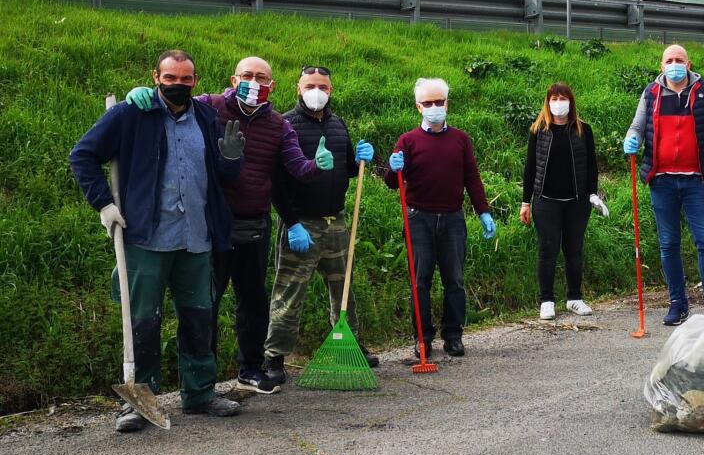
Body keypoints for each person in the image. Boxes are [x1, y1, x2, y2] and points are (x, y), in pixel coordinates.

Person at [127, 56, 332, 394]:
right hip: (213, 223)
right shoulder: (210, 107)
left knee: (252, 301)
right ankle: (198, 381)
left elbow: (296, 167)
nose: (255, 82)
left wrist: (316, 166)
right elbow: (174, 102)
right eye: (248, 75)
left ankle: (250, 369)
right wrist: (144, 94)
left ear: (273, 85)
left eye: (262, 77)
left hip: (256, 224)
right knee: (205, 303)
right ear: (235, 80)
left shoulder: (279, 125)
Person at [71, 50, 244, 432]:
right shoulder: (132, 114)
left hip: (196, 238)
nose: (178, 85)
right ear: (156, 76)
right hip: (147, 239)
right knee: (142, 322)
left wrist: (232, 160)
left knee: (199, 318)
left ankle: (199, 393)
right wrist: (103, 204)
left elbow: (223, 175)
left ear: (195, 81)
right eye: (170, 78)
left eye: (185, 79)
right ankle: (139, 401)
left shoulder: (206, 117)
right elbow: (83, 155)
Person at [261, 66, 378, 389]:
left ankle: (349, 343)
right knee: (289, 292)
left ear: (331, 89)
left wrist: (359, 161)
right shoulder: (284, 125)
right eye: (310, 85)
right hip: (301, 223)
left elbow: (346, 170)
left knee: (343, 290)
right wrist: (293, 223)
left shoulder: (338, 125)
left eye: (322, 85)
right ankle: (274, 356)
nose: (317, 91)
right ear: (298, 89)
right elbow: (277, 183)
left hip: (336, 222)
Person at [385, 77, 495, 358]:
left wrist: (483, 211)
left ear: (447, 103)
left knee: (454, 280)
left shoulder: (460, 139)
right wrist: (392, 167)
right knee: (420, 281)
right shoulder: (408, 141)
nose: (434, 107)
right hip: (418, 219)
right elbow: (392, 182)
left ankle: (454, 335)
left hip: (452, 220)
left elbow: (472, 178)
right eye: (428, 103)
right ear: (419, 107)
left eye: (439, 102)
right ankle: (422, 338)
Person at [623, 44, 704, 325]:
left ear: (688, 63)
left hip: (695, 180)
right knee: (668, 243)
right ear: (662, 66)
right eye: (669, 60)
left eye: (679, 60)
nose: (674, 64)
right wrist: (632, 139)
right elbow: (637, 126)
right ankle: (677, 304)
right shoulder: (651, 93)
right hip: (662, 181)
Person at [520, 82, 607, 321]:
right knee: (548, 250)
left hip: (576, 202)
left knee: (574, 250)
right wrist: (525, 202)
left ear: (571, 102)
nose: (559, 103)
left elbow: (591, 166)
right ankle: (546, 300)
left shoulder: (583, 130)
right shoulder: (539, 130)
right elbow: (530, 168)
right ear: (548, 102)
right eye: (554, 99)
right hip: (546, 201)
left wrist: (592, 194)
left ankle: (574, 298)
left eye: (563, 98)